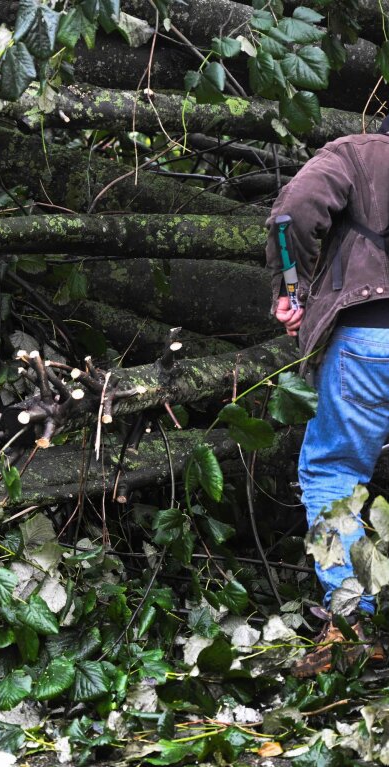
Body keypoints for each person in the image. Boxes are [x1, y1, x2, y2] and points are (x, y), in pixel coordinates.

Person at [265, 118, 389, 675]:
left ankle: (356, 625)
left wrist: (290, 292)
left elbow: (295, 211)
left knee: (331, 472)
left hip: (372, 340)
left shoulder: (358, 153)